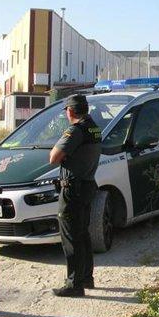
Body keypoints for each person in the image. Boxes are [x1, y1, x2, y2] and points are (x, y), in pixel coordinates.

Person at [49, 94, 101, 297]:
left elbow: (53, 158)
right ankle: (86, 277)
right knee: (82, 233)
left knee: (70, 235)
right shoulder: (94, 128)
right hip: (88, 185)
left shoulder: (75, 131)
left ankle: (74, 283)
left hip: (73, 188)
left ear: (70, 111)